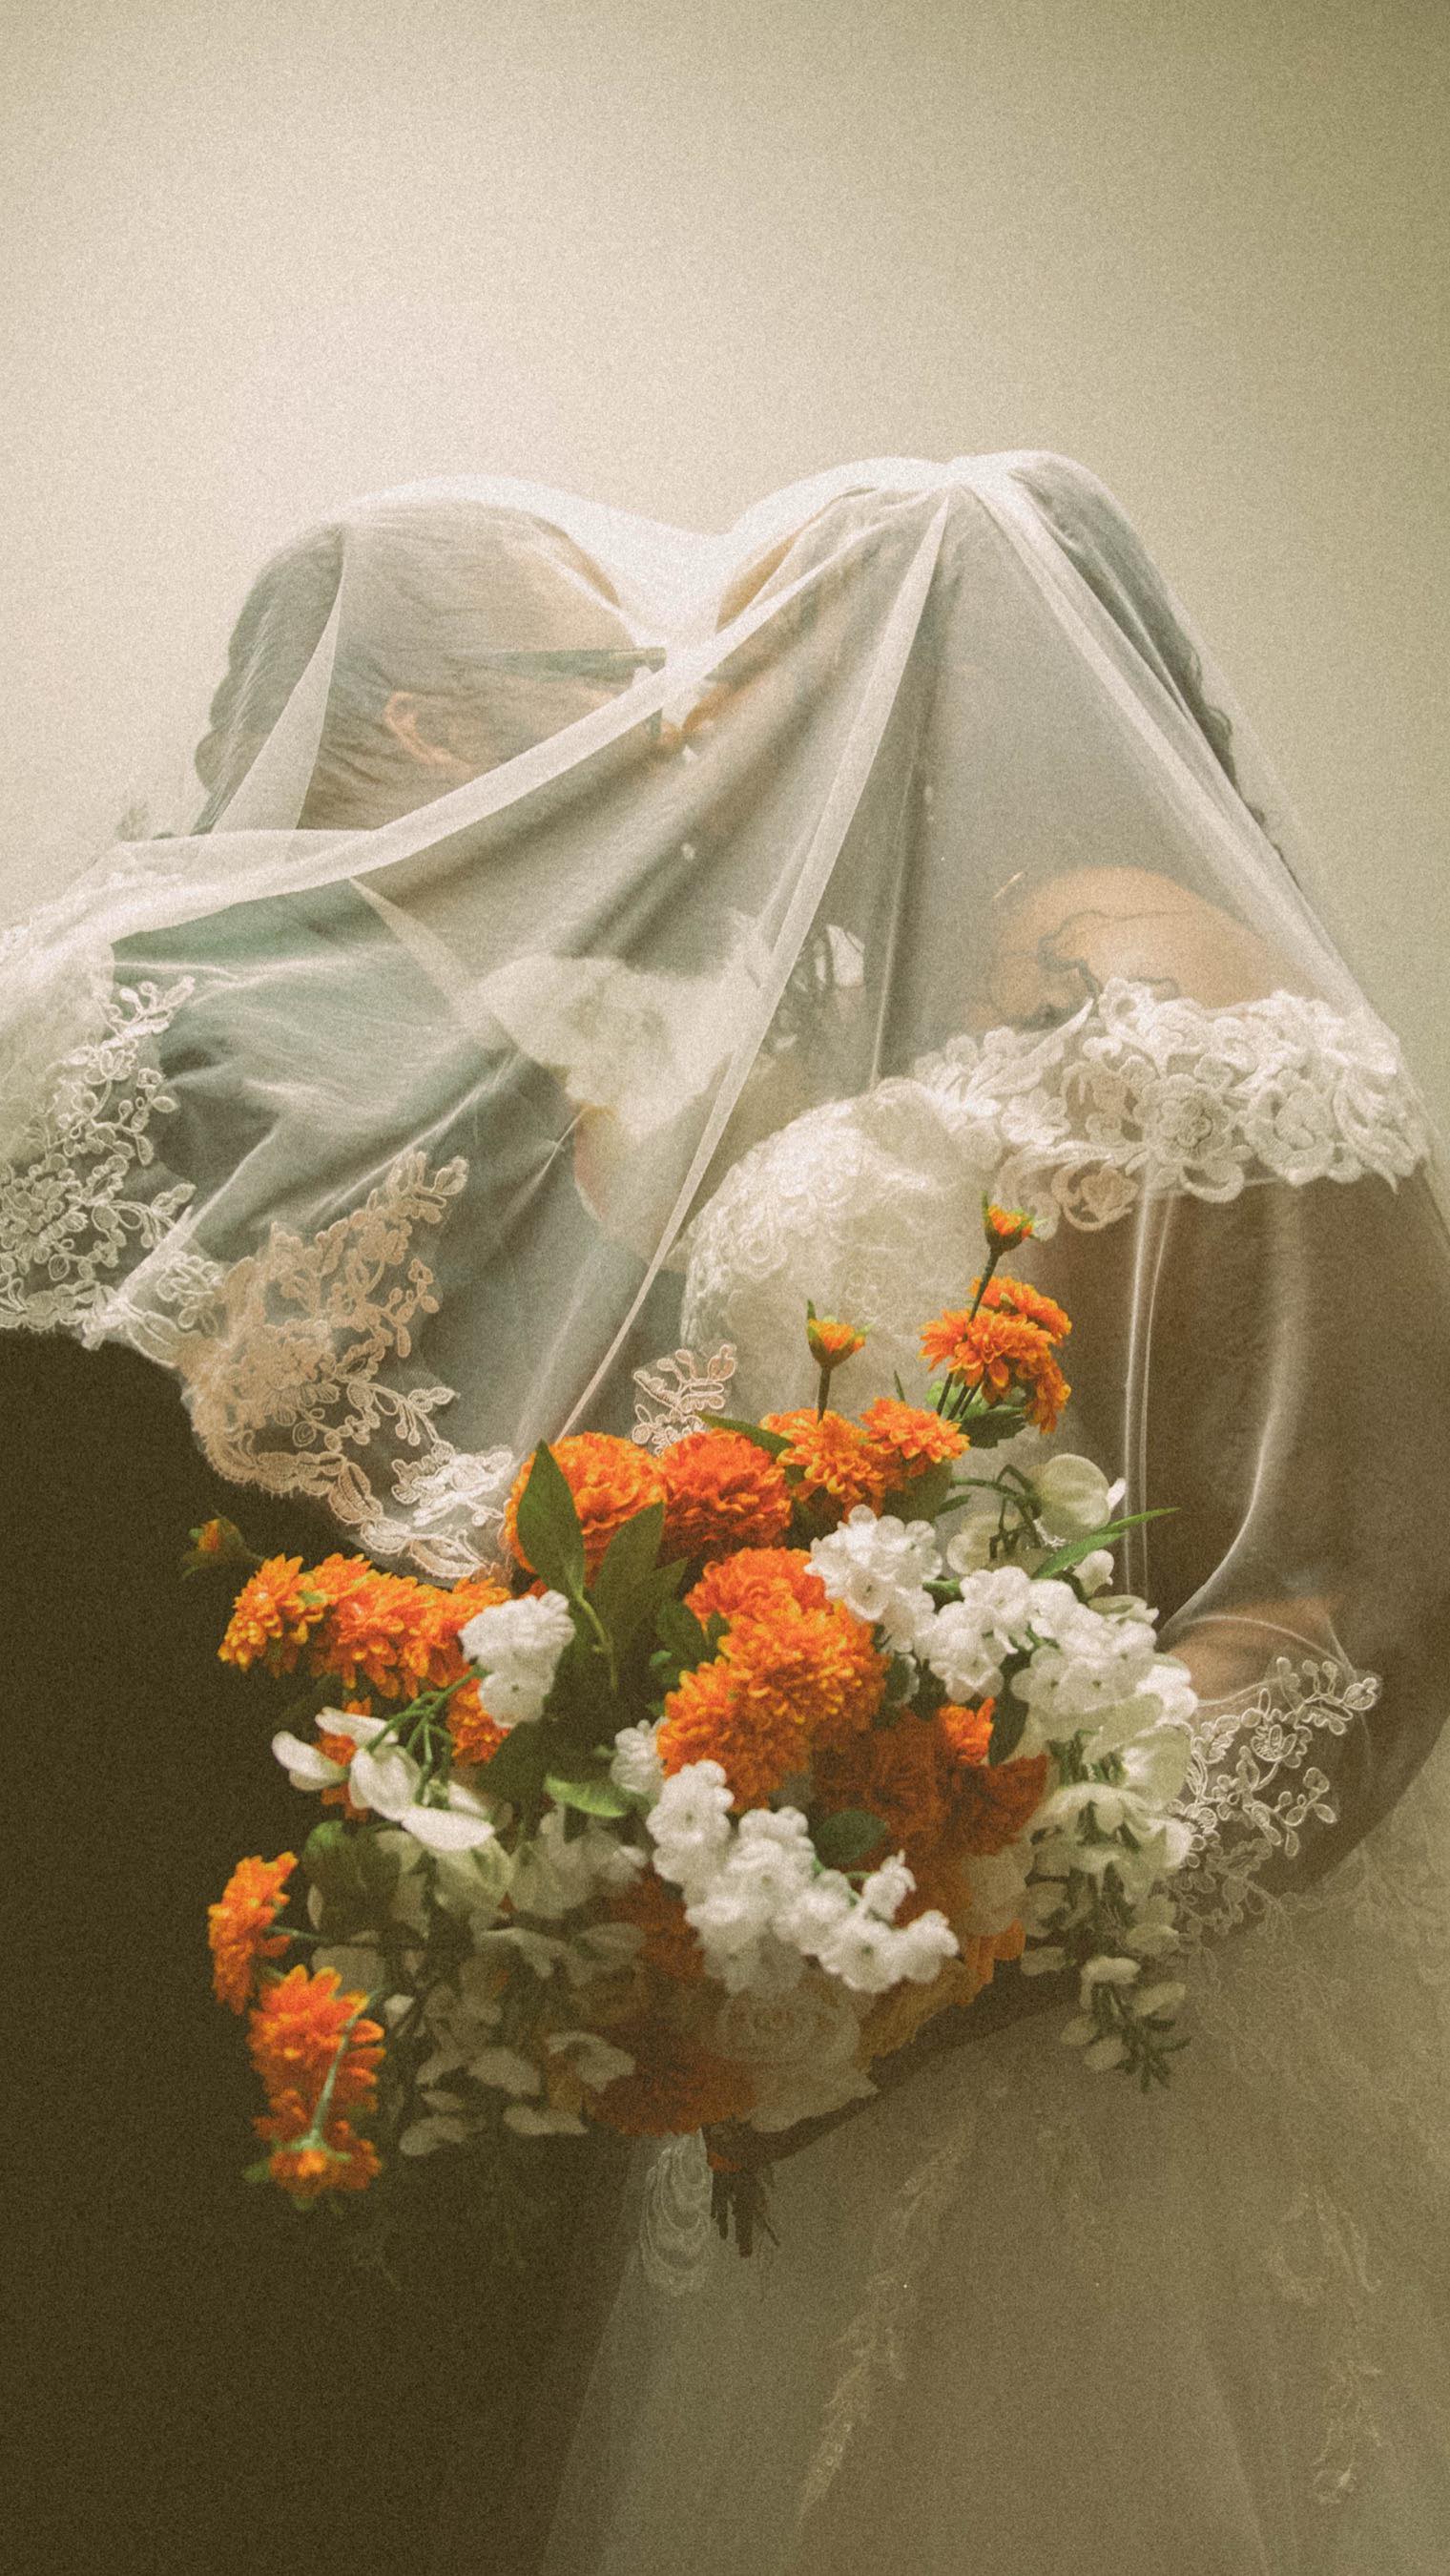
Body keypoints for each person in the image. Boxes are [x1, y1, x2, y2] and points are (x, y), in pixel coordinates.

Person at [4, 452, 1447, 2576]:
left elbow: (1345, 1591)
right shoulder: (837, 1032)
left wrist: (920, 1934)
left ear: (926, 677)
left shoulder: (1167, 1004)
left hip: (1044, 2036)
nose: (683, 732)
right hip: (711, 2007)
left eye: (732, 667)